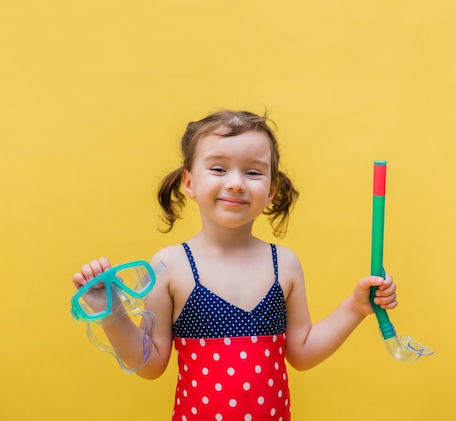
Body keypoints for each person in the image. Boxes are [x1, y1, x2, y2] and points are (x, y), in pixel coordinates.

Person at [72, 110, 398, 420]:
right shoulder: (169, 265)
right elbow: (150, 364)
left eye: (253, 172)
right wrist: (112, 313)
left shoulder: (284, 264)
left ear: (271, 190)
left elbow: (301, 353)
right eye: (218, 169)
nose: (236, 183)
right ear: (189, 183)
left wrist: (356, 307)